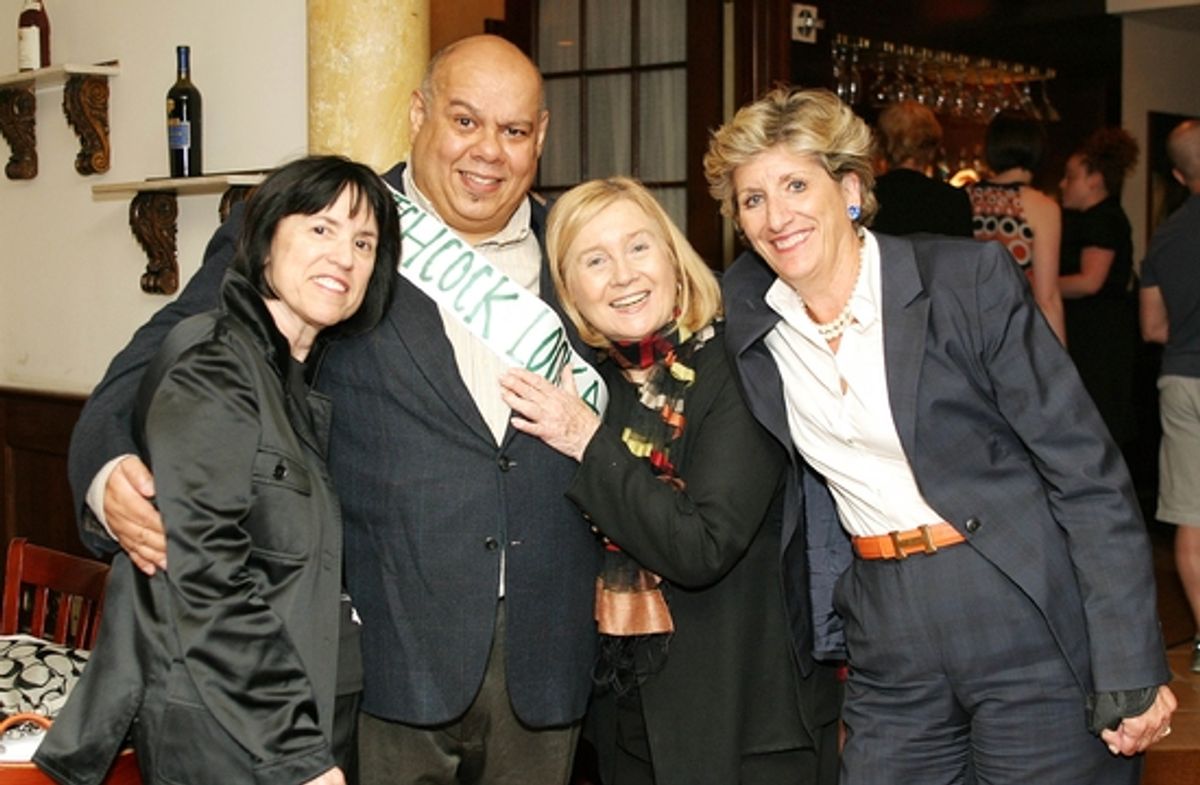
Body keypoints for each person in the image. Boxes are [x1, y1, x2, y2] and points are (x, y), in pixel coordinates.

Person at [64, 35, 601, 785]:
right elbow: (150, 360)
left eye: (514, 131)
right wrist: (106, 469)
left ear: (540, 136)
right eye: (465, 120)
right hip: (388, 656)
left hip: (550, 658)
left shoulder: (589, 248)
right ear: (417, 113)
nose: (488, 152)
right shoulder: (328, 226)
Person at [704, 87, 1176, 785]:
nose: (777, 217)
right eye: (752, 199)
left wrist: (1131, 654)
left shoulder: (964, 281)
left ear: (851, 188)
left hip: (1016, 604)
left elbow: (1084, 468)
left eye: (796, 184)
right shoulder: (749, 313)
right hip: (885, 628)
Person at [34, 155, 399, 785]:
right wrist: (299, 757)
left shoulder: (292, 379)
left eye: (363, 241)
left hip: (289, 714)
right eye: (320, 228)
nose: (344, 255)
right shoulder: (216, 366)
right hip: (226, 733)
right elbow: (209, 583)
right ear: (262, 243)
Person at [497, 177, 840, 785]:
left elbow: (701, 546)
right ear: (570, 291)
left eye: (639, 248)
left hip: (743, 728)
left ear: (675, 260)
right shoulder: (593, 385)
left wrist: (585, 438)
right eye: (594, 260)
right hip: (625, 716)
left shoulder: (739, 368)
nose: (623, 275)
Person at [1139, 118, 1200, 674]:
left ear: (1179, 176)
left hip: (1183, 378)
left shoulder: (1166, 235)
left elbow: (1153, 328)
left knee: (1190, 514)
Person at [1059, 127, 1140, 446]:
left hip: (1099, 341)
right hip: (1094, 336)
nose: (1063, 184)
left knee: (1096, 425)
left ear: (1095, 180)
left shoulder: (1104, 219)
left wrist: (1038, 284)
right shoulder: (1092, 219)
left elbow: (1090, 282)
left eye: (1070, 177)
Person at [967, 111, 1066, 343]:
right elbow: (1047, 297)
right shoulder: (1041, 207)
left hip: (966, 336)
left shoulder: (963, 197)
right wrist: (1060, 368)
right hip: (1014, 337)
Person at [871, 100, 973, 238]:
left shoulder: (866, 195)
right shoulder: (952, 200)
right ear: (930, 148)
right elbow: (964, 256)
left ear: (883, 144)